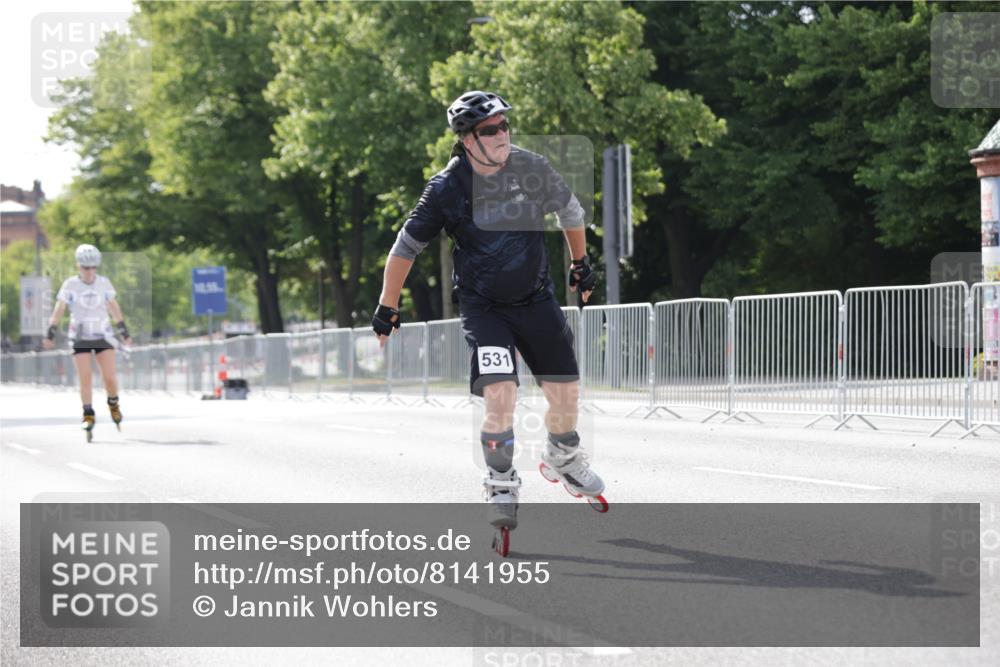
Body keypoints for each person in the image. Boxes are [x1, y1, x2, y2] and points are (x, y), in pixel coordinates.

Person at [372, 90, 605, 533]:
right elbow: (406, 247)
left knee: (567, 393)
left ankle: (562, 455)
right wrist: (387, 306)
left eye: (504, 126)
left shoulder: (530, 167)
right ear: (466, 139)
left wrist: (581, 263)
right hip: (485, 308)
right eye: (489, 130)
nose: (501, 135)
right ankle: (500, 480)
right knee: (500, 395)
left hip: (536, 298)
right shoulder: (446, 188)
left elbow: (570, 211)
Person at [43, 244, 133, 438]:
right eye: (85, 267)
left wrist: (124, 331)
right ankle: (88, 414)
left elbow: (114, 307)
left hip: (103, 334)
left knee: (109, 376)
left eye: (93, 267)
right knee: (85, 378)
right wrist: (50, 332)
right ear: (78, 266)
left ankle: (113, 402)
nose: (90, 271)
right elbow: (59, 309)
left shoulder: (104, 283)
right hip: (80, 336)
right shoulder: (70, 285)